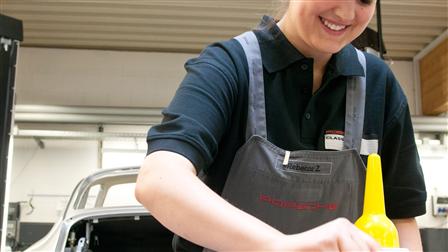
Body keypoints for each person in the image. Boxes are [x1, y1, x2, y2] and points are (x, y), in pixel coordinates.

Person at [135, 0, 427, 251]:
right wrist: (279, 246)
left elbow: (402, 217)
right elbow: (159, 181)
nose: (346, 12)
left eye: (364, 0)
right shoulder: (229, 66)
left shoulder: (378, 86)